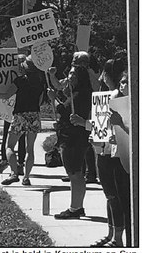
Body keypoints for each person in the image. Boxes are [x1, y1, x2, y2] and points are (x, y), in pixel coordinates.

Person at [70, 59, 131, 247]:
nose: (124, 85)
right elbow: (102, 127)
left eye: (127, 82)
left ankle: (121, 239)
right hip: (104, 152)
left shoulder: (132, 106)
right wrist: (86, 126)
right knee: (110, 197)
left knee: (120, 199)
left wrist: (120, 124)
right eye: (122, 82)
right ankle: (112, 234)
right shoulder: (107, 98)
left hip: (122, 158)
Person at [0, 54, 46, 186]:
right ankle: (26, 177)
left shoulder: (20, 81)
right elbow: (41, 101)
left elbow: (5, 95)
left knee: (9, 146)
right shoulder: (41, 82)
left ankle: (14, 173)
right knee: (30, 149)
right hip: (35, 115)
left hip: (20, 115)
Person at [47, 51, 93, 219]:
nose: (70, 78)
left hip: (73, 138)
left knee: (74, 173)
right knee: (76, 172)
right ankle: (77, 206)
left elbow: (66, 111)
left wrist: (55, 99)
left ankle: (75, 208)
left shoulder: (80, 95)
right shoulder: (77, 93)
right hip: (72, 136)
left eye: (73, 75)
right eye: (70, 74)